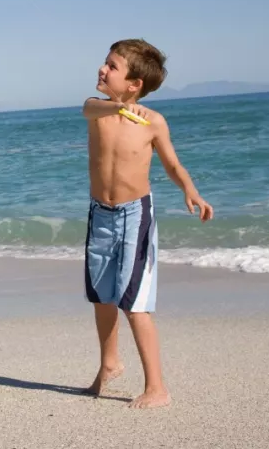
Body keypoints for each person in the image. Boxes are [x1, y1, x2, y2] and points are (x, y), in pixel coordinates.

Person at [81, 38, 214, 408]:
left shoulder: (153, 122)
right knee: (101, 294)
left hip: (133, 215)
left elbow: (172, 164)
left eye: (112, 66)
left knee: (134, 300)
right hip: (99, 214)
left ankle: (157, 387)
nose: (102, 70)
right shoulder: (99, 109)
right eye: (105, 62)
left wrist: (191, 190)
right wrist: (120, 110)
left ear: (134, 83)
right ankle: (109, 363)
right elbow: (89, 109)